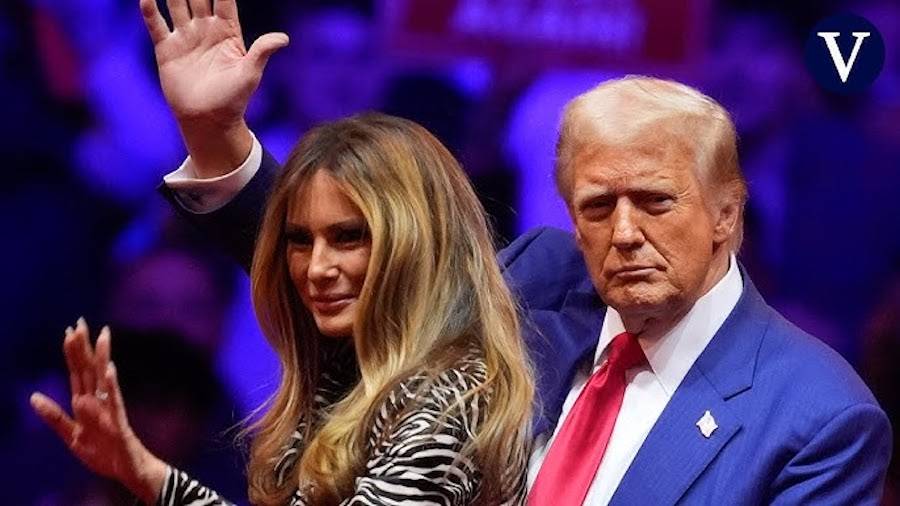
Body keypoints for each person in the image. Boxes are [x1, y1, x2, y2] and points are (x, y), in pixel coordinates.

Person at [140, 0, 893, 503]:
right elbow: (354, 264)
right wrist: (217, 136)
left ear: (728, 213)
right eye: (597, 207)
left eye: (656, 202)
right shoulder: (539, 283)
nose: (624, 232)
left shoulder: (818, 417)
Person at [29, 5, 535, 503]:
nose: (316, 268)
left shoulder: (444, 397)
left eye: (348, 238)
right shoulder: (363, 369)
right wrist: (147, 473)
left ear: (414, 244)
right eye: (299, 241)